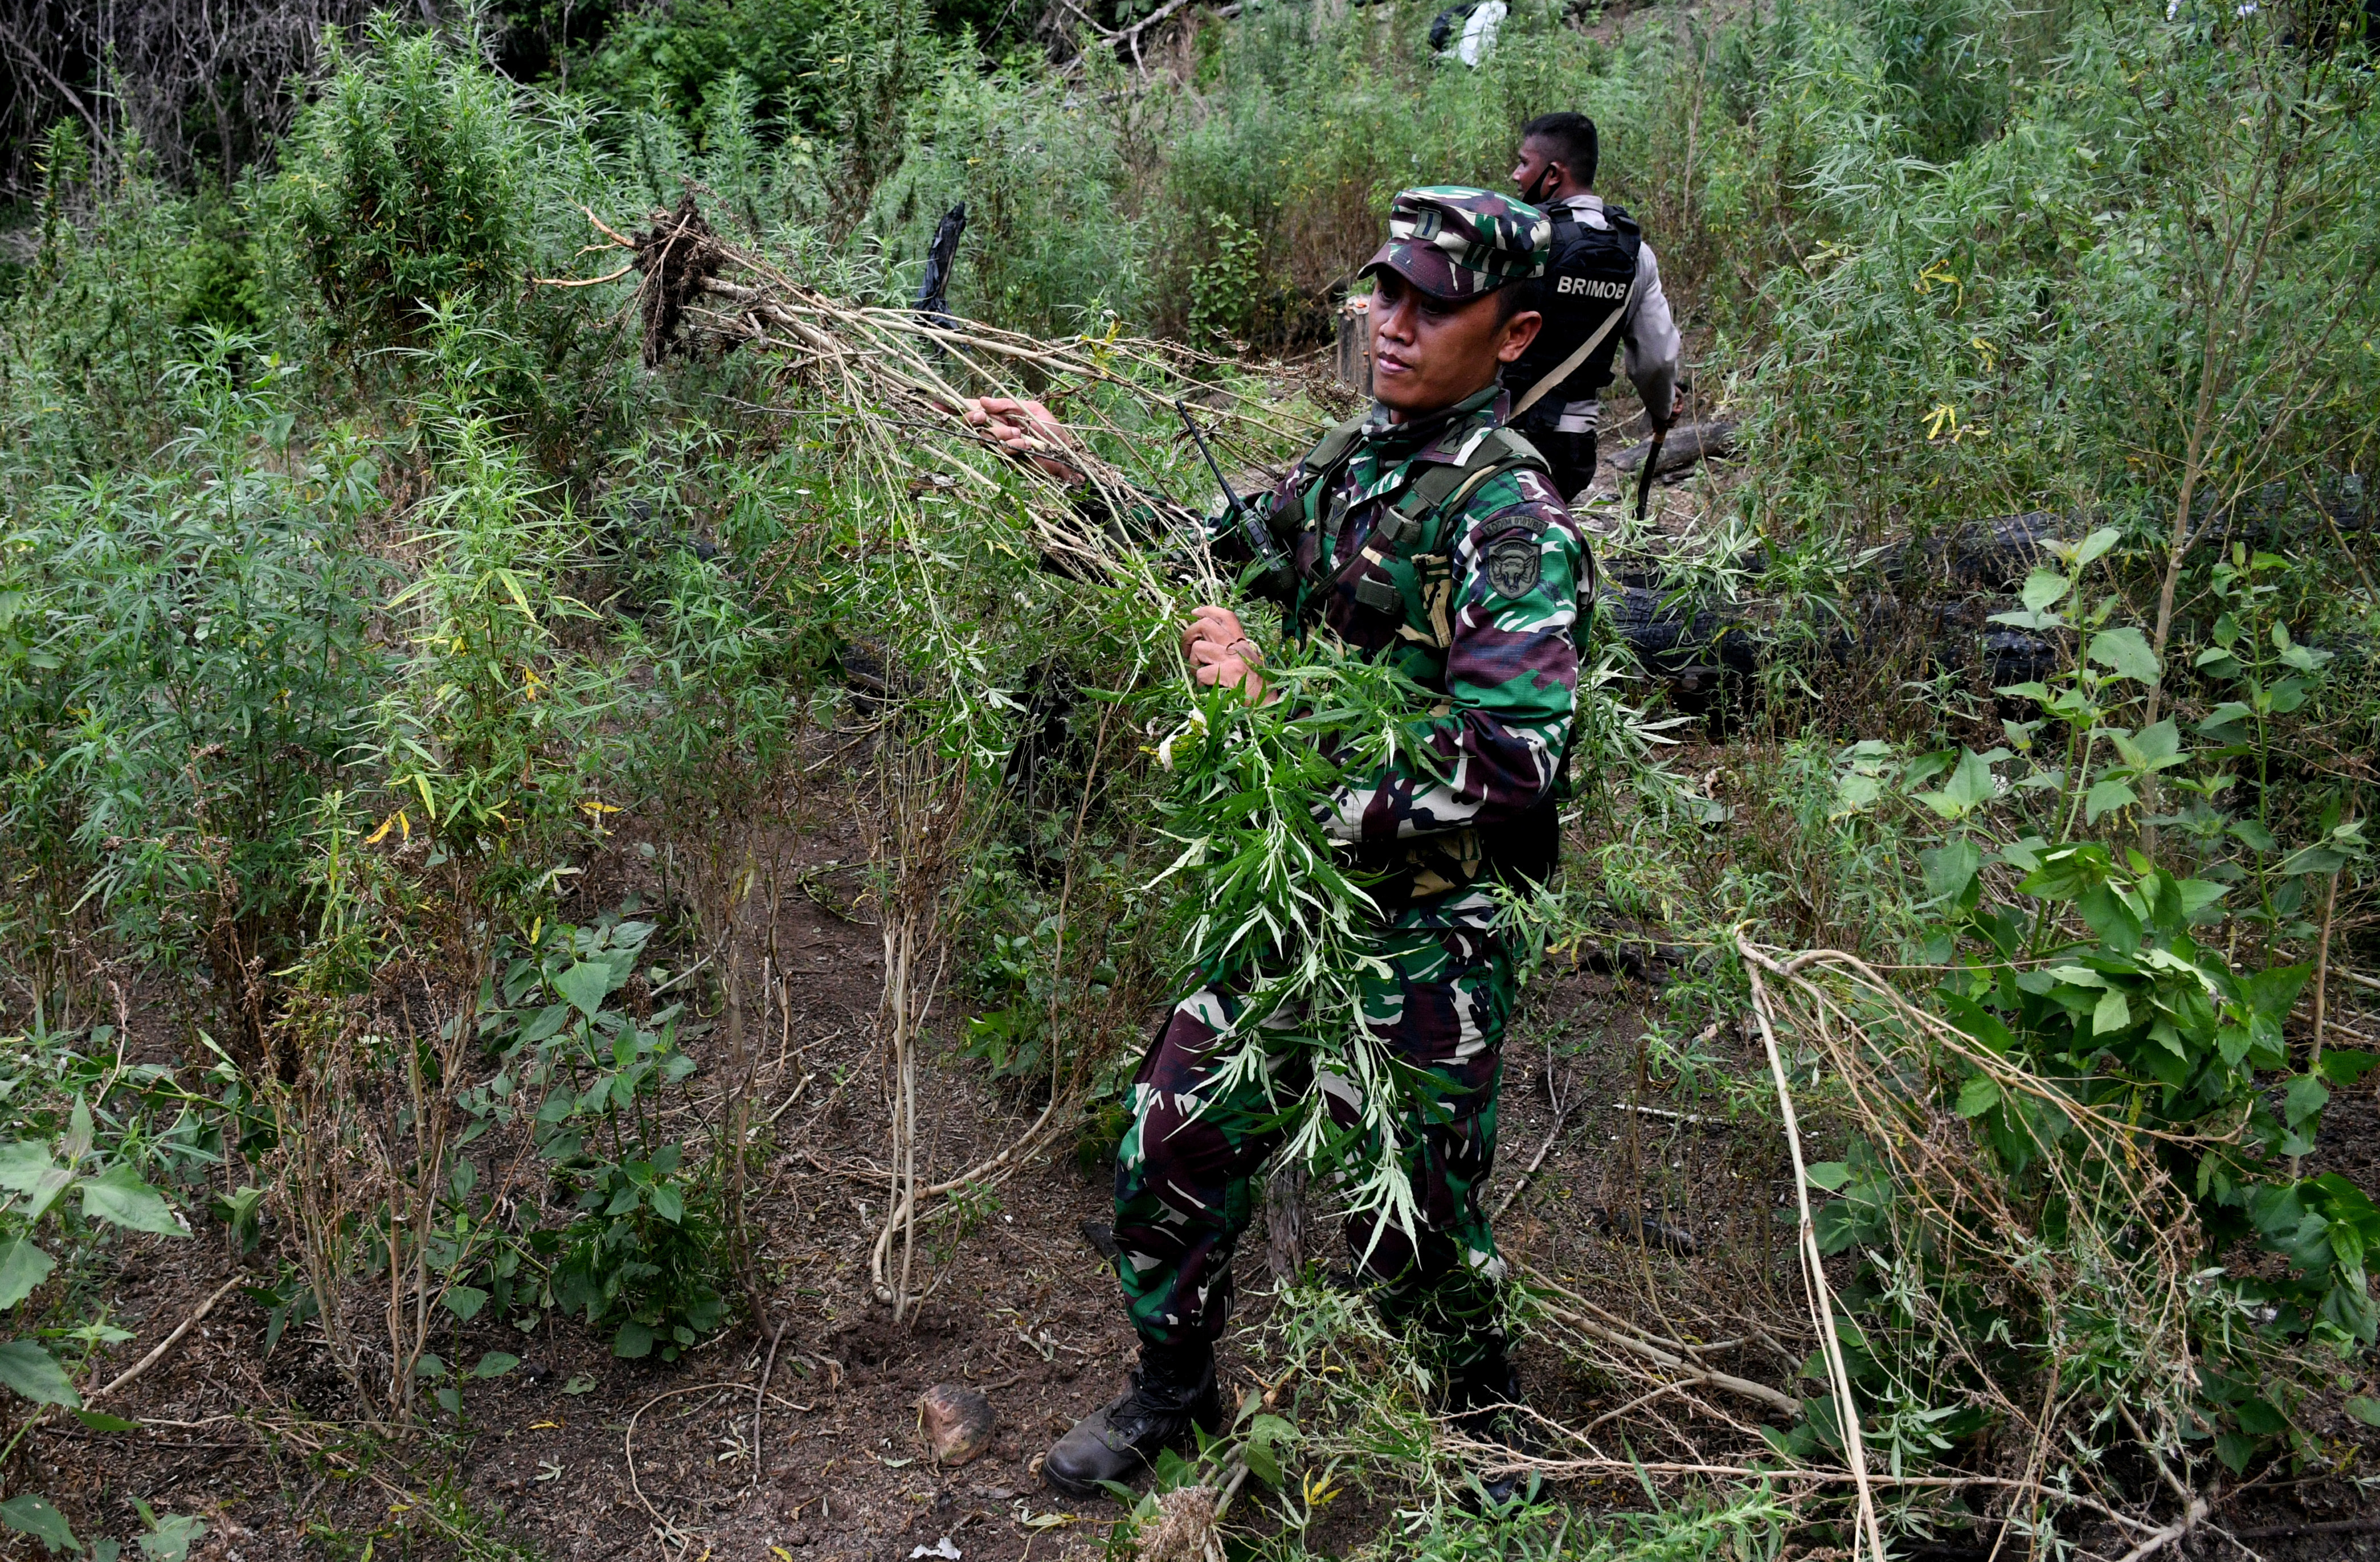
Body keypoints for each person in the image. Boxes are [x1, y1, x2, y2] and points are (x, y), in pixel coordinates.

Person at [966, 186, 1588, 1508]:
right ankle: (1173, 1399)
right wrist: (1073, 473)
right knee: (1170, 1137)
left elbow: (1514, 767)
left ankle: (1482, 1457)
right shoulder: (1360, 466)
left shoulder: (1507, 520)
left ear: (1515, 333)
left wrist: (1278, 738)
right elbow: (1216, 553)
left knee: (1407, 1222)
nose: (1396, 324)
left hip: (1420, 932)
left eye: (1435, 304)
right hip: (1296, 906)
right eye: (1388, 291)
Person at [1503, 111, 1685, 503]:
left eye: (1523, 164)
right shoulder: (1634, 254)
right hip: (1571, 446)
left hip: (1500, 436)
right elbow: (1656, 359)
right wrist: (1664, 406)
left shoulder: (1520, 242)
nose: (1517, 176)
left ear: (1552, 174)